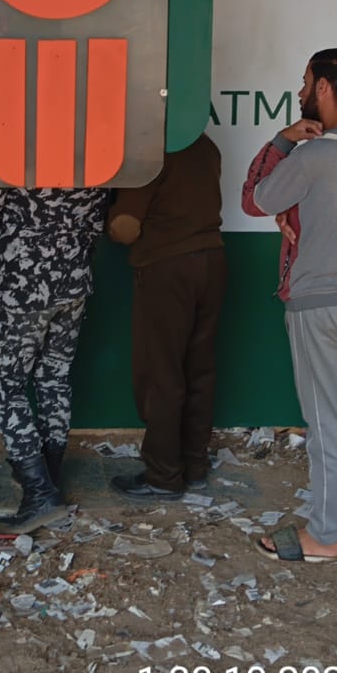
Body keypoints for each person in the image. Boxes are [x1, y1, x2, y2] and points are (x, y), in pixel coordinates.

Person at [242, 48, 337, 562]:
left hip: (318, 306)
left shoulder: (310, 157)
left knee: (324, 422)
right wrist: (296, 215)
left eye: (307, 82)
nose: (301, 90)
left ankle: (324, 536)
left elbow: (254, 198)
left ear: (325, 88)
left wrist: (282, 141)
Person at [0, 186, 108, 533]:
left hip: (23, 286)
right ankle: (50, 478)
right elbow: (96, 223)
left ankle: (39, 492)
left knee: (3, 381)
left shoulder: (15, 157)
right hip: (74, 281)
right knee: (54, 376)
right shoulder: (90, 156)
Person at [106, 135, 227, 499]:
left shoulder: (150, 151)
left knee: (160, 372)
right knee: (199, 369)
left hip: (166, 267)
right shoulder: (207, 146)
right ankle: (195, 465)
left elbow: (125, 227)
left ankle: (162, 474)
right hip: (212, 259)